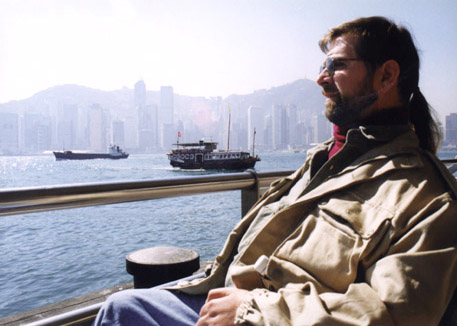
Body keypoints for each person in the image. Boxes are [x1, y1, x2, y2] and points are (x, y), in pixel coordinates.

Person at [94, 16, 457, 326]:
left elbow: (393, 314)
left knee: (120, 310)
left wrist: (253, 311)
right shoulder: (321, 161)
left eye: (337, 66)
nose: (321, 79)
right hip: (228, 295)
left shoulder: (426, 197)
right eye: (322, 66)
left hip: (260, 314)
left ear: (386, 76)